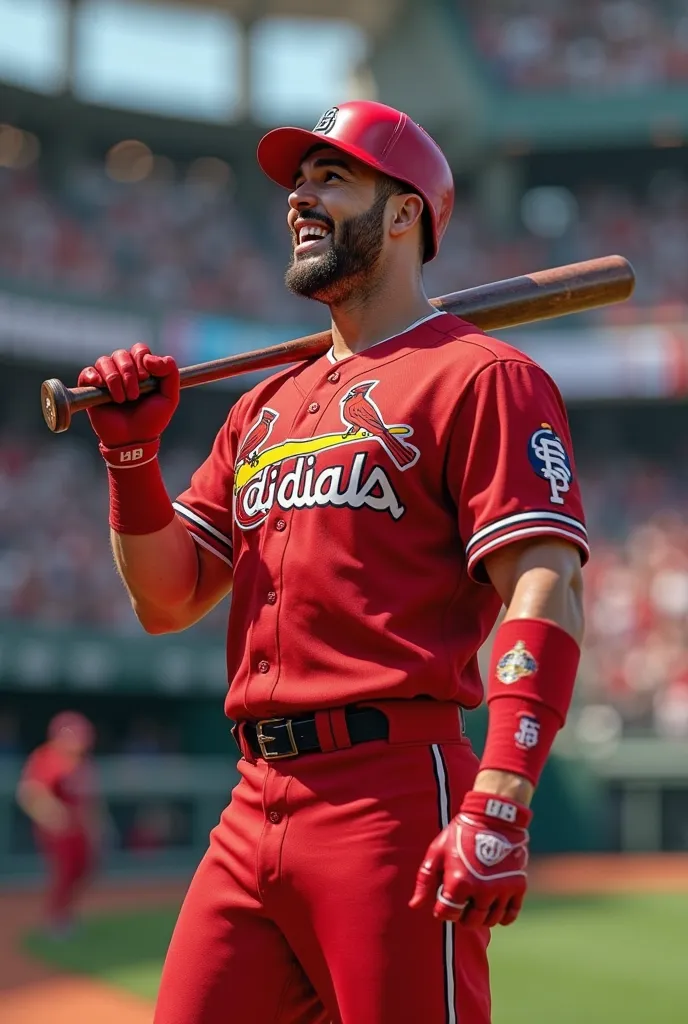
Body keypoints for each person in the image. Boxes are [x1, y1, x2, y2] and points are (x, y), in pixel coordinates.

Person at [76, 101, 587, 1023]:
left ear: (405, 215)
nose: (299, 198)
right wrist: (130, 460)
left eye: (331, 177)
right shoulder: (263, 405)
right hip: (251, 805)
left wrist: (503, 794)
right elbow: (166, 598)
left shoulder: (481, 377)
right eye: (296, 183)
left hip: (391, 795)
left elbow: (545, 585)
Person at [16, 711, 101, 937]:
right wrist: (52, 815)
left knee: (83, 871)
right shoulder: (47, 757)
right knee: (63, 873)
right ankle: (56, 919)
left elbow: (90, 800)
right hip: (58, 832)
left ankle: (68, 914)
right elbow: (29, 792)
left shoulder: (82, 762)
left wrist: (96, 825)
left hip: (80, 829)